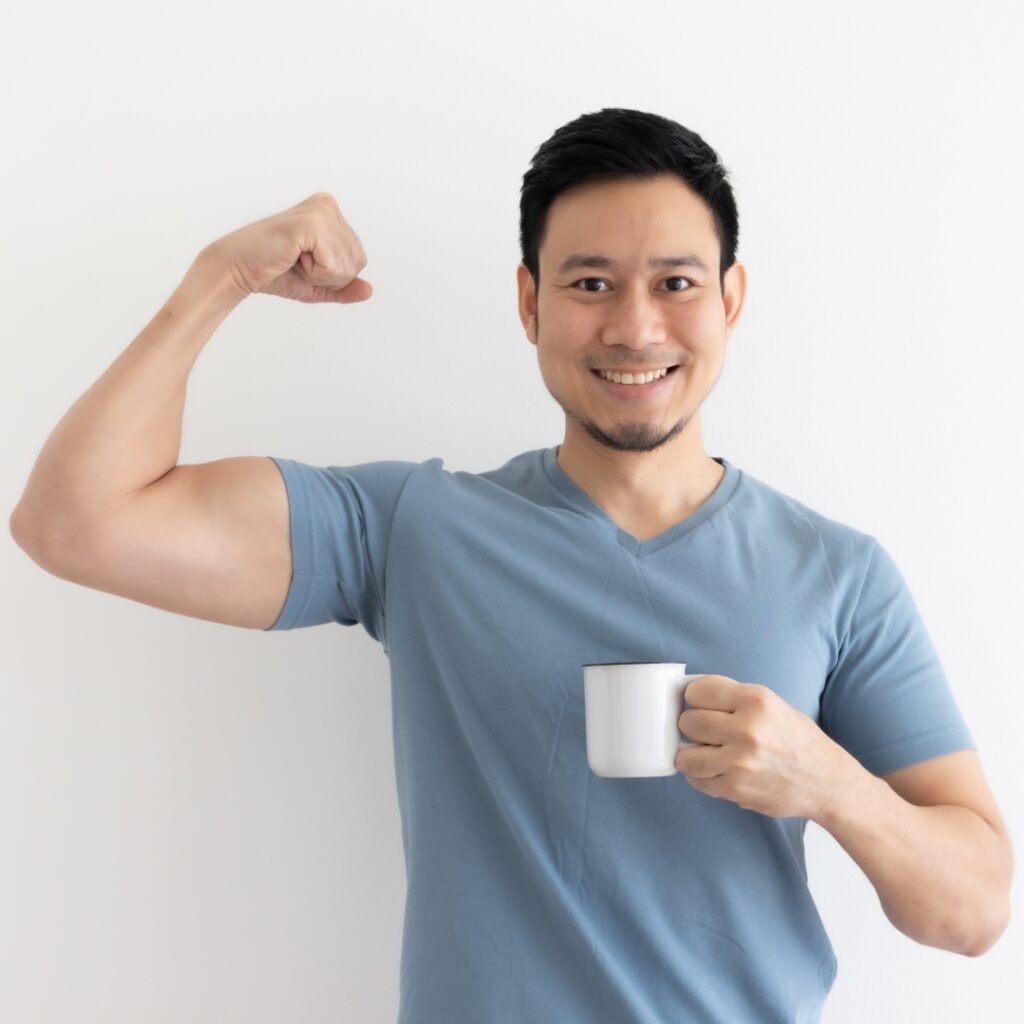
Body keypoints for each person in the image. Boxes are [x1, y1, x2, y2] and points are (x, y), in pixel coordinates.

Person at [10, 107, 1013, 1023]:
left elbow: (973, 913)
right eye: (590, 284)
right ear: (529, 302)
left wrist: (831, 784)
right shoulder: (415, 528)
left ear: (730, 299)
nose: (635, 327)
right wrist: (218, 279)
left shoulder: (838, 573)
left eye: (675, 283)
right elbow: (74, 522)